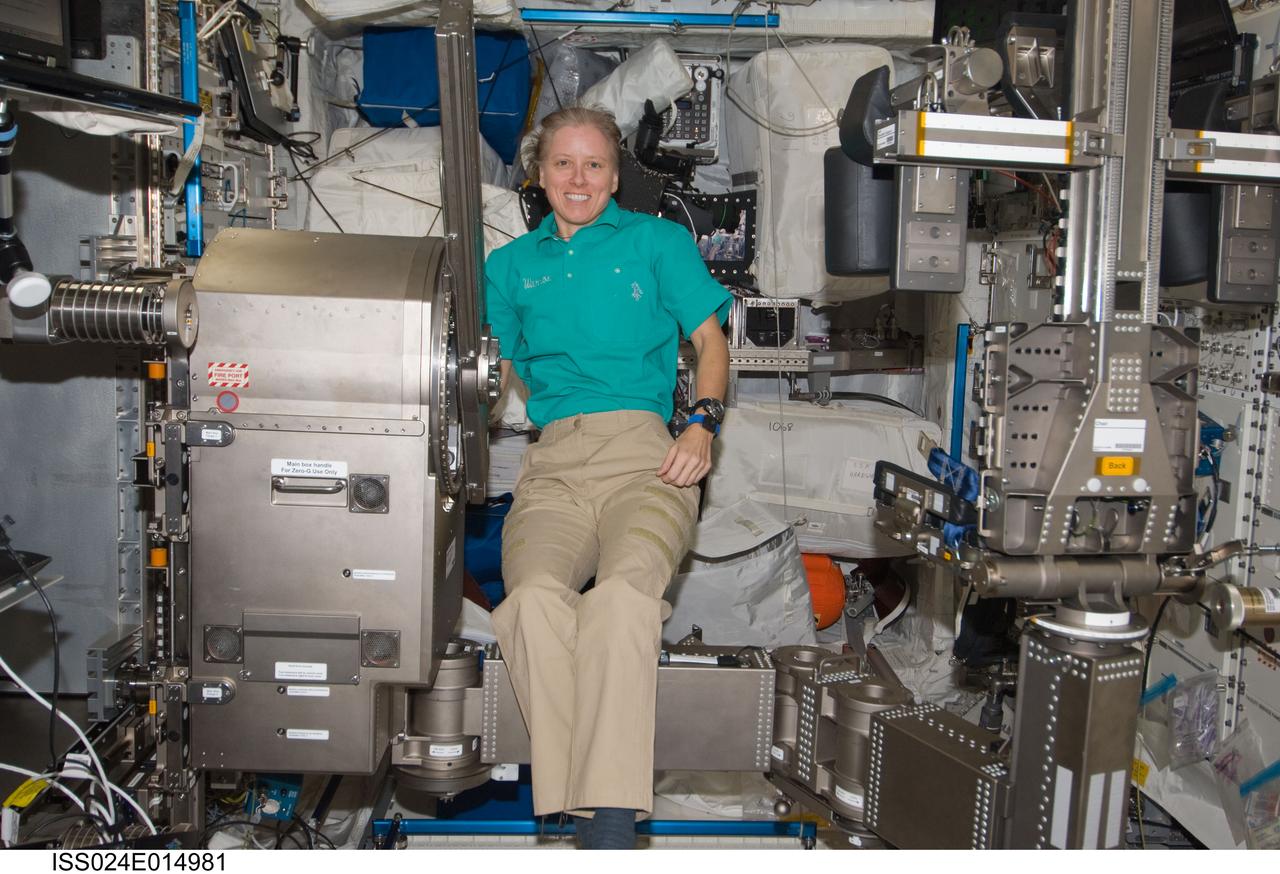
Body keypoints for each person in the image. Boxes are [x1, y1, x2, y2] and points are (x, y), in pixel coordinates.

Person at [484, 105, 732, 849]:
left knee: (624, 597)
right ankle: (576, 804)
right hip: (554, 463)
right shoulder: (508, 266)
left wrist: (703, 422)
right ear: (539, 173)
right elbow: (493, 373)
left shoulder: (657, 242)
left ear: (617, 175)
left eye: (595, 164)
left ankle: (607, 829)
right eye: (564, 163)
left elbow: (710, 344)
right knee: (529, 603)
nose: (579, 179)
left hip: (647, 459)